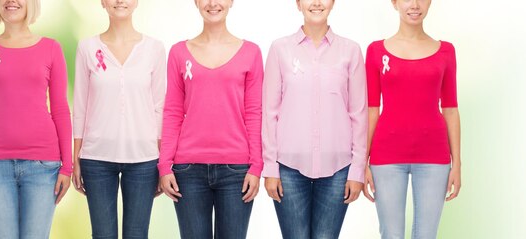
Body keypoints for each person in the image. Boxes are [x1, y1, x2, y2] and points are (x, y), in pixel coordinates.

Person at [157, 0, 264, 238]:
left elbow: (254, 112)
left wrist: (256, 166)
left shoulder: (251, 53)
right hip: (188, 171)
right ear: (196, 2)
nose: (213, 3)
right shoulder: (178, 52)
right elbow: (173, 111)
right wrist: (165, 165)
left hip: (237, 171)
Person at [262, 0, 368, 238]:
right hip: (289, 167)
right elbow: (270, 112)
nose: (317, 3)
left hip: (339, 168)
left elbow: (358, 115)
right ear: (298, 3)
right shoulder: (280, 49)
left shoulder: (350, 51)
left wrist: (357, 170)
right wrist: (270, 167)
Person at [0, 0, 72, 238]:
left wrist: (67, 167)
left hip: (43, 167)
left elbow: (61, 110)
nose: (11, 1)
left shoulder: (51, 49)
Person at [363, 0, 462, 238]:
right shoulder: (376, 51)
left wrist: (457, 163)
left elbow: (450, 108)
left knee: (426, 235)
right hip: (386, 156)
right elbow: (371, 109)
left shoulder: (446, 51)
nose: (415, 5)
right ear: (395, 3)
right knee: (391, 234)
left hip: (434, 157)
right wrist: (362, 161)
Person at [71, 0, 166, 238]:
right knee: (102, 235)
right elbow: (80, 105)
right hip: (96, 158)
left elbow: (160, 107)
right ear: (103, 3)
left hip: (144, 159)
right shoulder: (87, 48)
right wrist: (76, 157)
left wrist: (163, 163)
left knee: (137, 234)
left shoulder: (154, 49)